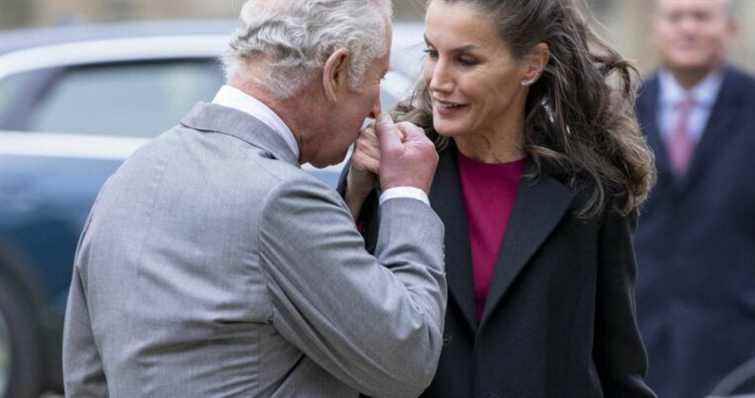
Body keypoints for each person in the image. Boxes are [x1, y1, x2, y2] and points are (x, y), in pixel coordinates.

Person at [62, 1, 448, 397]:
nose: (374, 109)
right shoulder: (280, 199)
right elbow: (407, 358)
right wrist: (406, 194)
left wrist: (352, 198)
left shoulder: (130, 176)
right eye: (376, 79)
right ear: (335, 72)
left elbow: (86, 377)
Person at [342, 0, 657, 396]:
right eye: (432, 53)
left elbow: (618, 369)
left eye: (466, 60)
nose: (438, 79)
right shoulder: (393, 170)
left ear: (531, 64)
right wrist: (356, 192)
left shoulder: (590, 191)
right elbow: (340, 307)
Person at [634, 0, 755, 397]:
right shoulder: (618, 112)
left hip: (741, 354)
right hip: (638, 351)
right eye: (675, 17)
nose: (688, 28)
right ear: (656, 28)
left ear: (730, 28)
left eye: (702, 16)